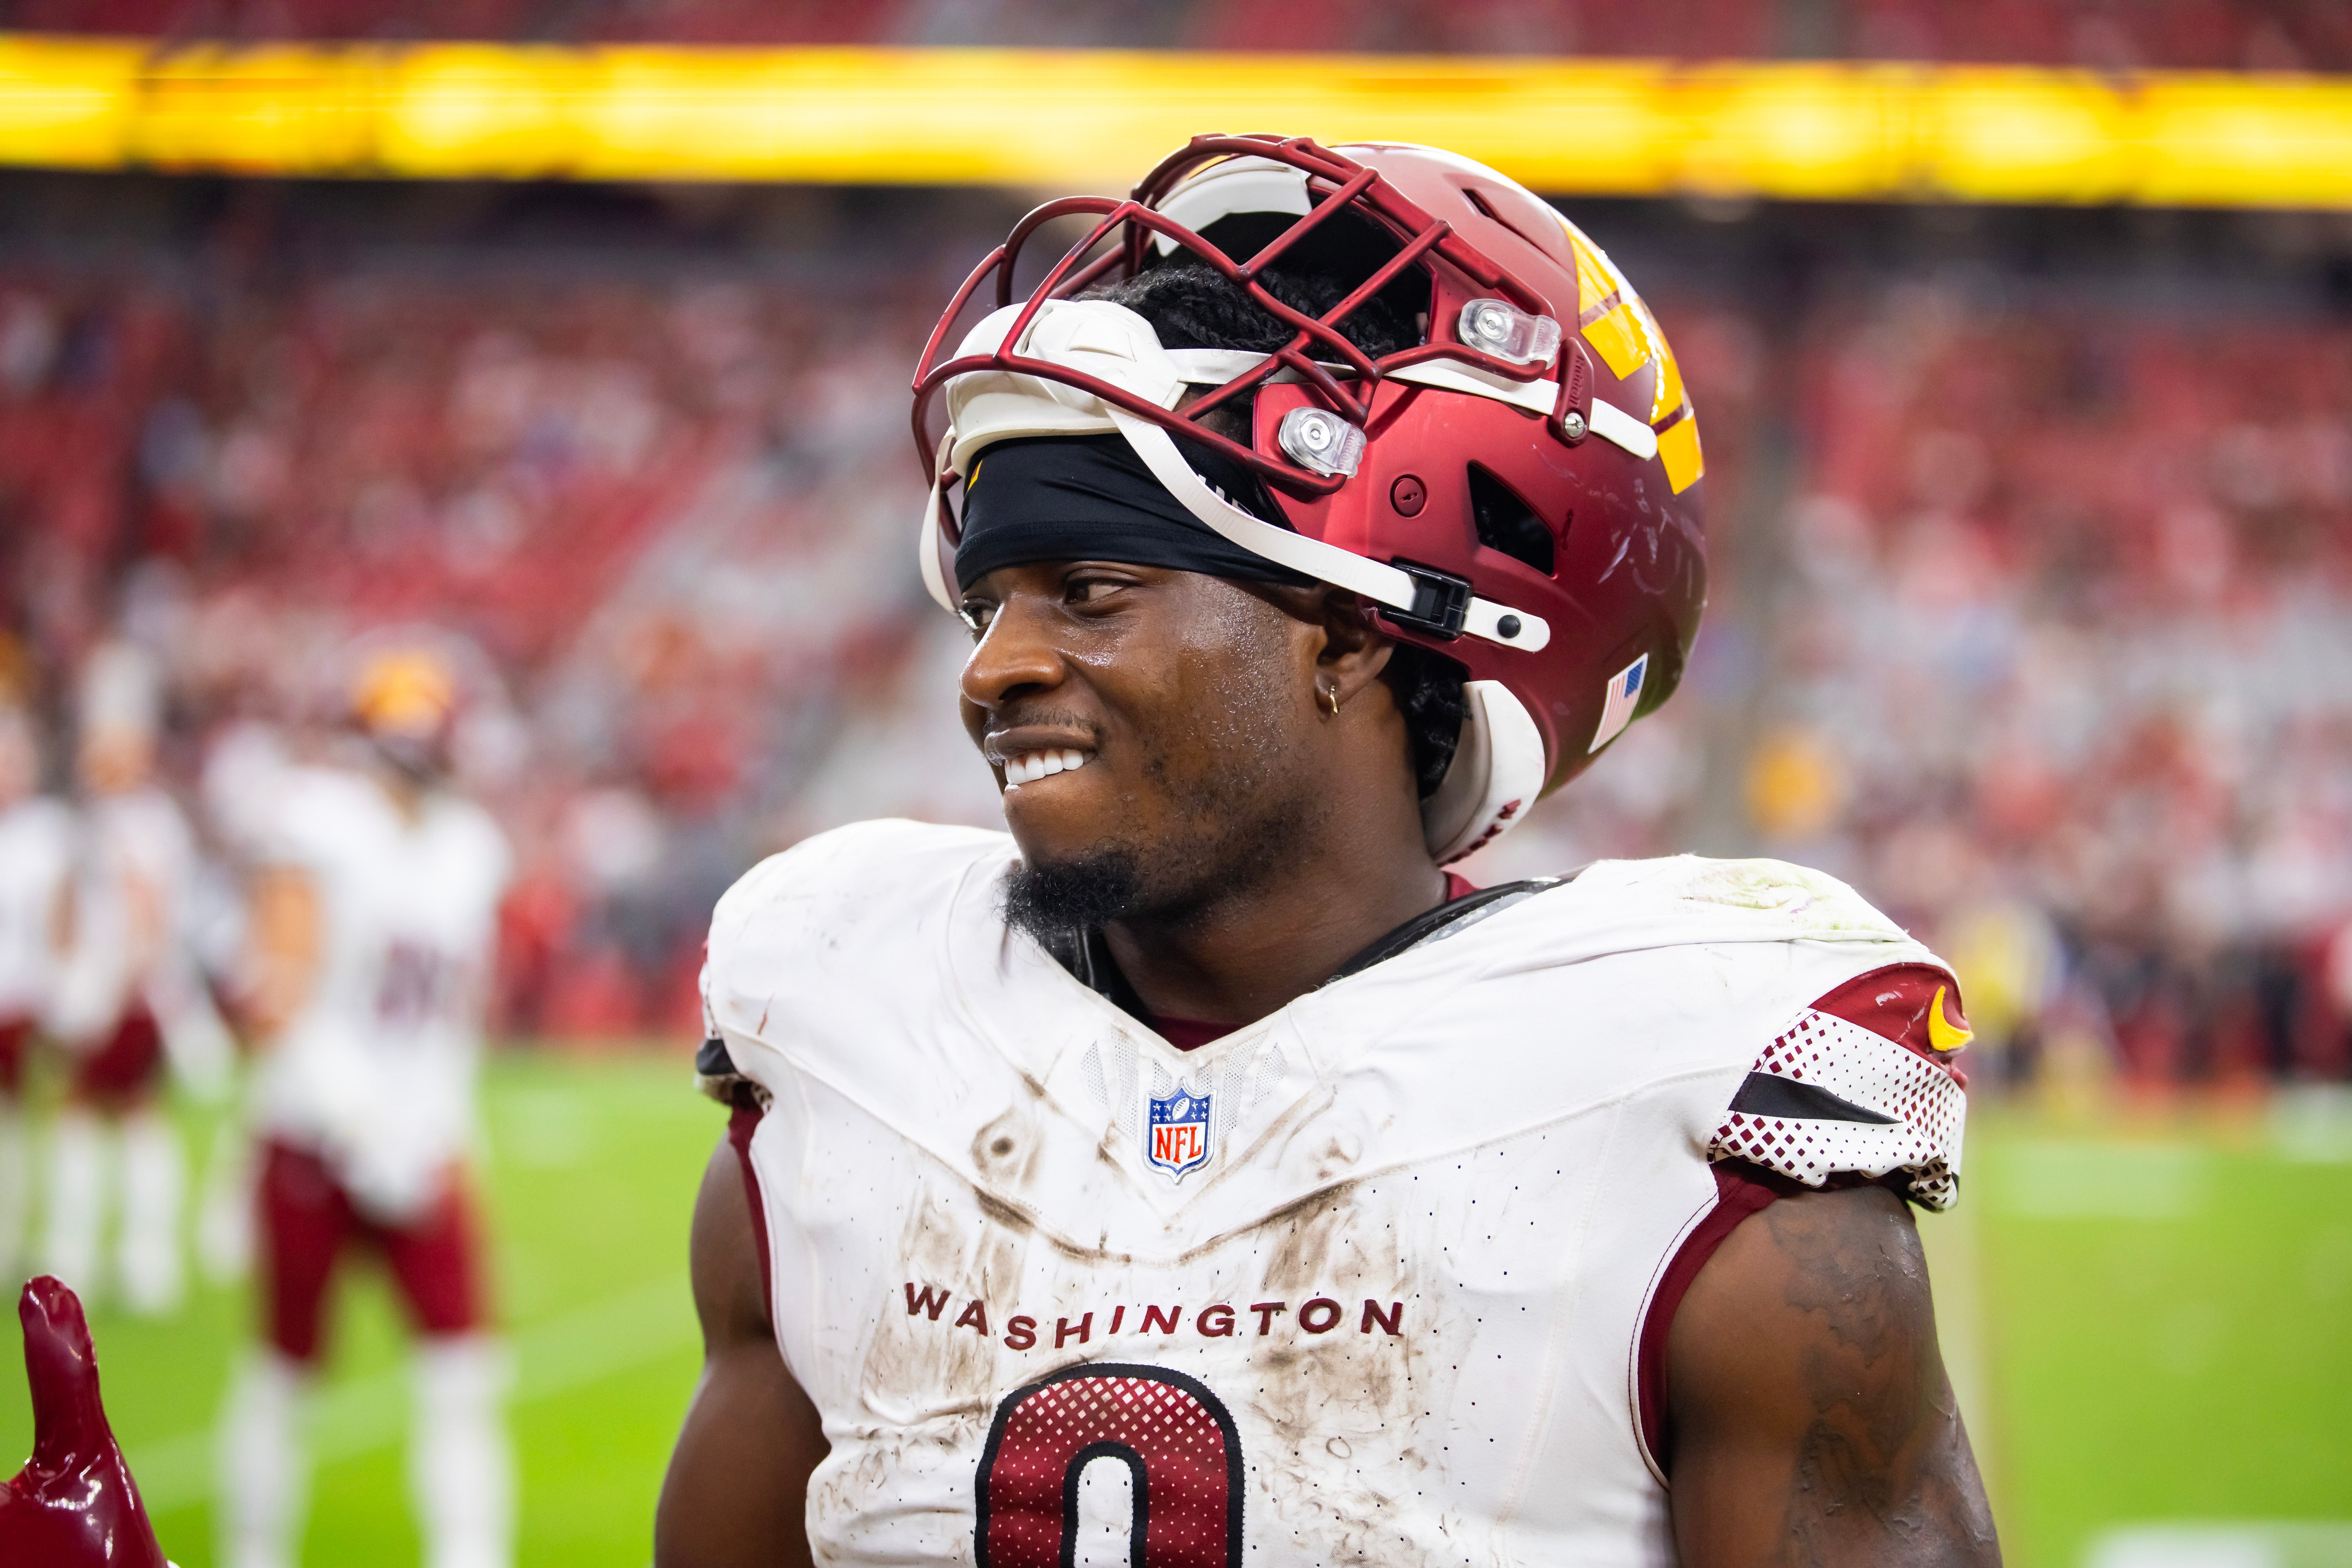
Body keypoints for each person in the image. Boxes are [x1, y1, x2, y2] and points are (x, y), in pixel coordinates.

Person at [658, 137, 1998, 1568]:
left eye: (1090, 590)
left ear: (1353, 632)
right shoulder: (853, 1036)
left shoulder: (1686, 1137)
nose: (997, 670)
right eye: (988, 603)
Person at [216, 641, 515, 1568]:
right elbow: (272, 993)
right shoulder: (320, 822)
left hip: (424, 1142)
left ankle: (470, 1551)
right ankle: (254, 1549)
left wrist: (445, 1128)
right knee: (283, 1370)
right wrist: (357, 1118)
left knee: (464, 1372)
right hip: (316, 1133)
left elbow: (459, 1016)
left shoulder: (472, 847)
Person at [42, 641, 231, 1316]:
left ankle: (124, 1256)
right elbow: (68, 907)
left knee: (110, 1117)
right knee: (105, 1118)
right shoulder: (104, 820)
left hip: (127, 992)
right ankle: (116, 1256)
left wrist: (111, 984)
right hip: (108, 988)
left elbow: (148, 914)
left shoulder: (143, 823)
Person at [0, 703, 73, 1279]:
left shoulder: (44, 834)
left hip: (21, 1000)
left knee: (24, 1130)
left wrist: (59, 995)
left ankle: (22, 1238)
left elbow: (59, 923)